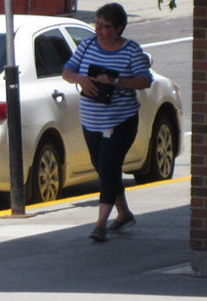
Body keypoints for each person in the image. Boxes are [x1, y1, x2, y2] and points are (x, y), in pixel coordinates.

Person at [62, 2, 152, 242]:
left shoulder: (131, 50)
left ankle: (100, 223)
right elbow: (67, 71)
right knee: (102, 167)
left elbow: (145, 80)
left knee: (110, 166)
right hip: (91, 119)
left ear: (119, 28)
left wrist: (116, 82)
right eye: (97, 24)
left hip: (120, 120)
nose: (99, 30)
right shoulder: (88, 45)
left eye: (105, 26)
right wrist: (81, 79)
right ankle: (123, 213)